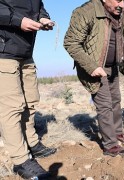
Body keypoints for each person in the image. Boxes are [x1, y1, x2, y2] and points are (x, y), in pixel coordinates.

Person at [64, 0, 124, 156]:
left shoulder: (120, 11)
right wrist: (92, 67)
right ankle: (111, 146)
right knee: (104, 105)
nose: (122, 5)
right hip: (94, 67)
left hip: (113, 66)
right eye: (118, 0)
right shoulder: (85, 12)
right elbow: (71, 43)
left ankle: (117, 135)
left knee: (116, 101)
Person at [0, 0, 56, 178]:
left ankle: (32, 142)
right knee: (11, 108)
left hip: (25, 53)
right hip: (3, 53)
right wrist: (18, 20)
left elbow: (38, 8)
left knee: (31, 101)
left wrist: (44, 18)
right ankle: (21, 160)